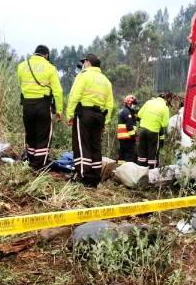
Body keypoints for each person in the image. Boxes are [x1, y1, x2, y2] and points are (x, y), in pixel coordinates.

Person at [65, 53, 114, 187]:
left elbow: (74, 96)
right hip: (99, 116)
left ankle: (82, 175)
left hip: (84, 113)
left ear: (88, 62)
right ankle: (94, 177)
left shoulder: (83, 75)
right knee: (95, 146)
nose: (83, 65)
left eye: (84, 62)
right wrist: (106, 121)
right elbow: (110, 104)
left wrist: (69, 115)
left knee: (82, 145)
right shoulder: (106, 81)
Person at [17, 45, 64, 170]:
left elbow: (20, 85)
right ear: (46, 55)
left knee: (30, 134)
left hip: (27, 105)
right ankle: (39, 166)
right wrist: (59, 110)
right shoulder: (50, 68)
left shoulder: (22, 66)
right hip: (43, 105)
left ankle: (31, 161)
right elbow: (58, 91)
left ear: (35, 53)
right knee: (43, 135)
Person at [136, 96, 170, 169]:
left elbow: (139, 114)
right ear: (165, 101)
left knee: (141, 153)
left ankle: (139, 171)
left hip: (142, 130)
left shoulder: (148, 102)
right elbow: (165, 124)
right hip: (153, 132)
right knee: (152, 153)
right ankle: (151, 172)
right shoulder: (165, 108)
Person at [116, 94, 139, 164]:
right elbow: (129, 126)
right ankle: (129, 172)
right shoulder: (127, 112)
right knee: (130, 155)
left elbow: (135, 118)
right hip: (128, 137)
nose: (135, 106)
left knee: (122, 155)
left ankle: (120, 170)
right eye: (134, 104)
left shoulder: (124, 111)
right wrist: (134, 136)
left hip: (123, 138)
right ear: (129, 103)